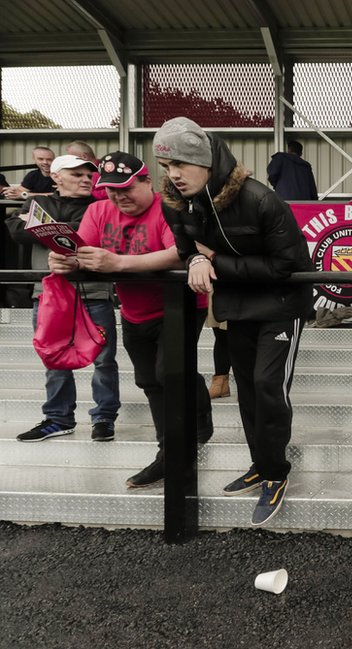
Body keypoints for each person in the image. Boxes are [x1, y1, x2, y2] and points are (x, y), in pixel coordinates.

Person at [153, 116, 313, 527]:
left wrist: (215, 262)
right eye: (167, 166)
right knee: (246, 392)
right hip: (237, 308)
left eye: (181, 165)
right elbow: (187, 248)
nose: (173, 175)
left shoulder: (260, 199)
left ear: (207, 163)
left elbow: (288, 265)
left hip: (280, 304)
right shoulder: (177, 204)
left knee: (267, 385)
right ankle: (261, 463)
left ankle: (277, 472)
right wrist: (192, 259)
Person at [48, 152, 213, 488]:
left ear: (146, 181)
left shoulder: (167, 206)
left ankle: (170, 456)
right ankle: (189, 425)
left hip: (179, 305)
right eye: (111, 191)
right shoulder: (97, 210)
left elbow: (181, 253)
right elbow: (87, 253)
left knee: (168, 373)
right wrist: (66, 260)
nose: (118, 197)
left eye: (126, 188)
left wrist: (119, 264)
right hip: (134, 310)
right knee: (149, 380)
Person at [6, 154, 120, 442]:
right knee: (54, 357)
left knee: (104, 360)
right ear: (56, 177)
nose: (85, 179)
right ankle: (58, 418)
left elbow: (86, 234)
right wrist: (65, 231)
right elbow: (15, 230)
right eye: (77, 174)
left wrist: (45, 227)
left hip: (94, 290)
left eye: (88, 175)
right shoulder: (38, 202)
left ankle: (104, 418)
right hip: (49, 294)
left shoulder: (99, 206)